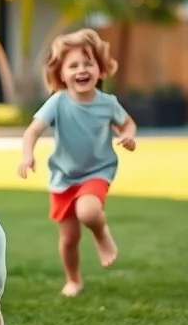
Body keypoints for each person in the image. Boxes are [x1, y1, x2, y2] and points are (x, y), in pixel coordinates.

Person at [18, 28, 137, 298]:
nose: (81, 70)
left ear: (100, 69)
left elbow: (127, 123)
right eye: (73, 65)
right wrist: (28, 155)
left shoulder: (108, 103)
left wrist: (128, 136)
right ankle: (73, 280)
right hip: (63, 178)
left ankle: (101, 232)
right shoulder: (58, 102)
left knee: (88, 212)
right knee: (69, 239)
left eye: (88, 63)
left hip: (98, 171)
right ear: (61, 74)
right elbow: (32, 132)